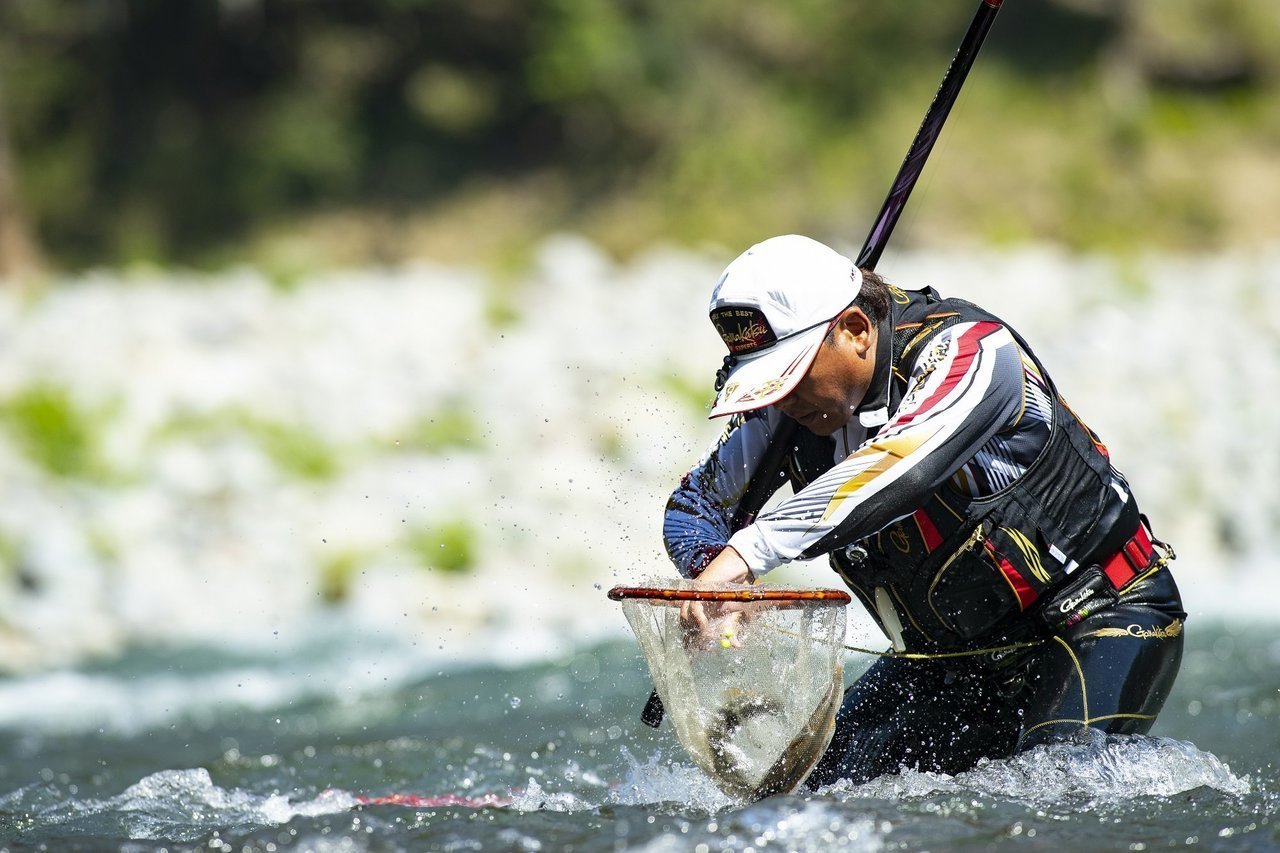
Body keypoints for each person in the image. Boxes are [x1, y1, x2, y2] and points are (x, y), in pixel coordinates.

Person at [664, 234, 1185, 787]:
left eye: (790, 374)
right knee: (797, 801)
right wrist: (712, 574)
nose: (781, 398)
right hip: (945, 665)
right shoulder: (786, 410)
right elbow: (692, 506)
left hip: (1098, 619)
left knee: (1053, 791)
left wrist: (747, 554)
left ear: (856, 330)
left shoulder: (974, 350)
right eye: (768, 383)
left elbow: (901, 467)